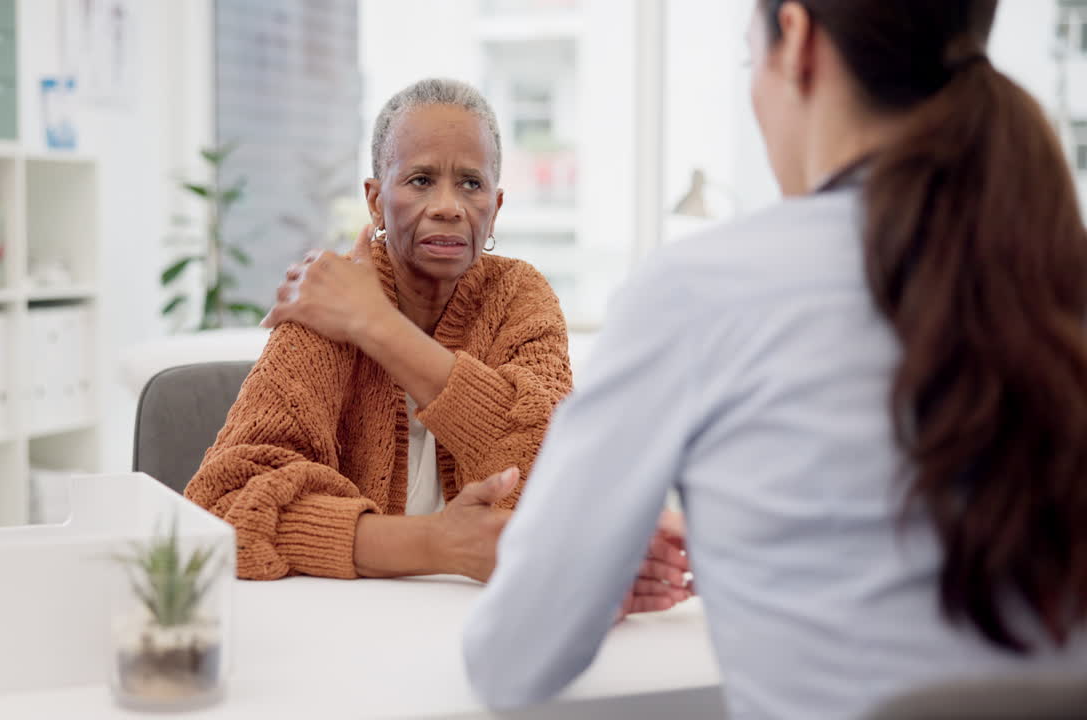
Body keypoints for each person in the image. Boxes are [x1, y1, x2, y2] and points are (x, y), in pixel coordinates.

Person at [463, 1, 1087, 718]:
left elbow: (507, 660)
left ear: (796, 39)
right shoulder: (1054, 274)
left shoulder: (700, 292)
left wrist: (588, 565)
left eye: (745, 56)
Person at [183, 78, 577, 582]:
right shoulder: (330, 300)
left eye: (471, 184)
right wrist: (435, 545)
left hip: (481, 620)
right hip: (345, 626)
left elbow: (561, 468)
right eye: (420, 180)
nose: (448, 206)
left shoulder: (520, 297)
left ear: (495, 206)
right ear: (375, 199)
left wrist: (377, 325)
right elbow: (219, 506)